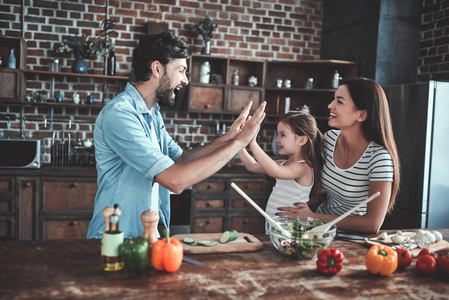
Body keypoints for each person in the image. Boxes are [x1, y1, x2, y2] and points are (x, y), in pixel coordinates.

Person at [87, 32, 266, 239]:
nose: (185, 80)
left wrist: (227, 138)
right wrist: (239, 143)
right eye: (181, 70)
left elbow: (180, 159)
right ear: (156, 69)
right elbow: (176, 180)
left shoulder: (152, 113)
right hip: (114, 239)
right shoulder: (120, 114)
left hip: (144, 238)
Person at [278, 77, 400, 233]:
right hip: (318, 230)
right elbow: (320, 189)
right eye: (333, 100)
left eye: (339, 102)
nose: (330, 105)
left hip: (350, 237)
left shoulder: (378, 159)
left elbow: (373, 224)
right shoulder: (330, 139)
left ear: (361, 115)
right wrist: (294, 206)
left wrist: (313, 217)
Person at [238, 111, 323, 232]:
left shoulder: (303, 168)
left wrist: (252, 144)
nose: (277, 140)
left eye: (282, 135)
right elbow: (252, 166)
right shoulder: (281, 163)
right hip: (274, 225)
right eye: (278, 134)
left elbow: (275, 171)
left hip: (291, 228)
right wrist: (239, 143)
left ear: (301, 140)